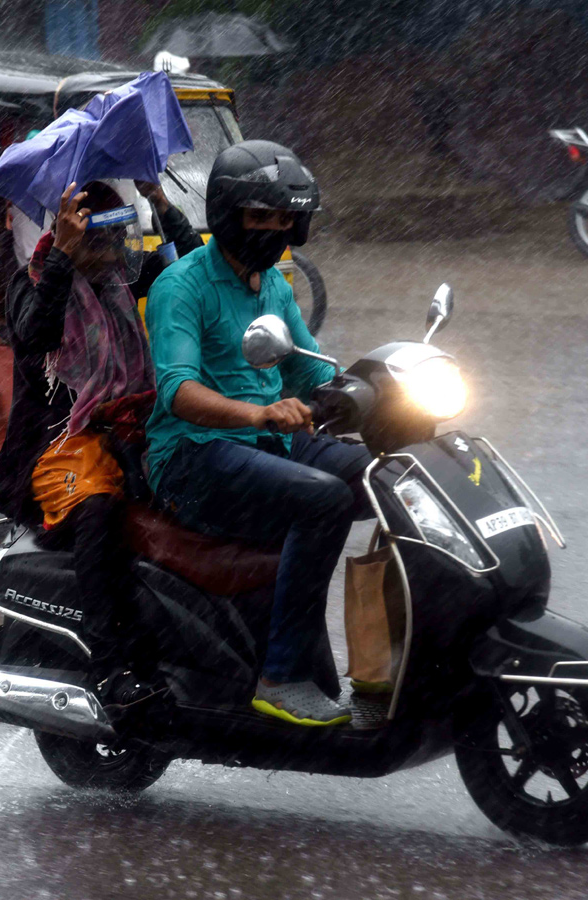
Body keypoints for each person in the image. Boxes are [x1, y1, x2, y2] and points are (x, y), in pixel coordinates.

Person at [144, 140, 373, 728]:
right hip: (192, 457)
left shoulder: (273, 286)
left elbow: (308, 367)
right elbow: (177, 390)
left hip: (266, 445)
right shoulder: (182, 285)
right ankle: (281, 676)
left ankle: (383, 661)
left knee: (389, 475)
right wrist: (258, 414)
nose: (275, 230)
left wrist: (371, 389)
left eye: (284, 219)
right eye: (260, 216)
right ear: (225, 214)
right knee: (323, 499)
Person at [0, 177, 202, 684]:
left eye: (117, 236)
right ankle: (107, 658)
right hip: (60, 443)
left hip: (131, 426)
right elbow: (38, 332)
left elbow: (195, 266)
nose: (112, 250)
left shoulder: (118, 282)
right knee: (100, 509)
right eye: (98, 238)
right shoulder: (34, 283)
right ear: (70, 237)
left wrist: (160, 202)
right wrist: (64, 254)